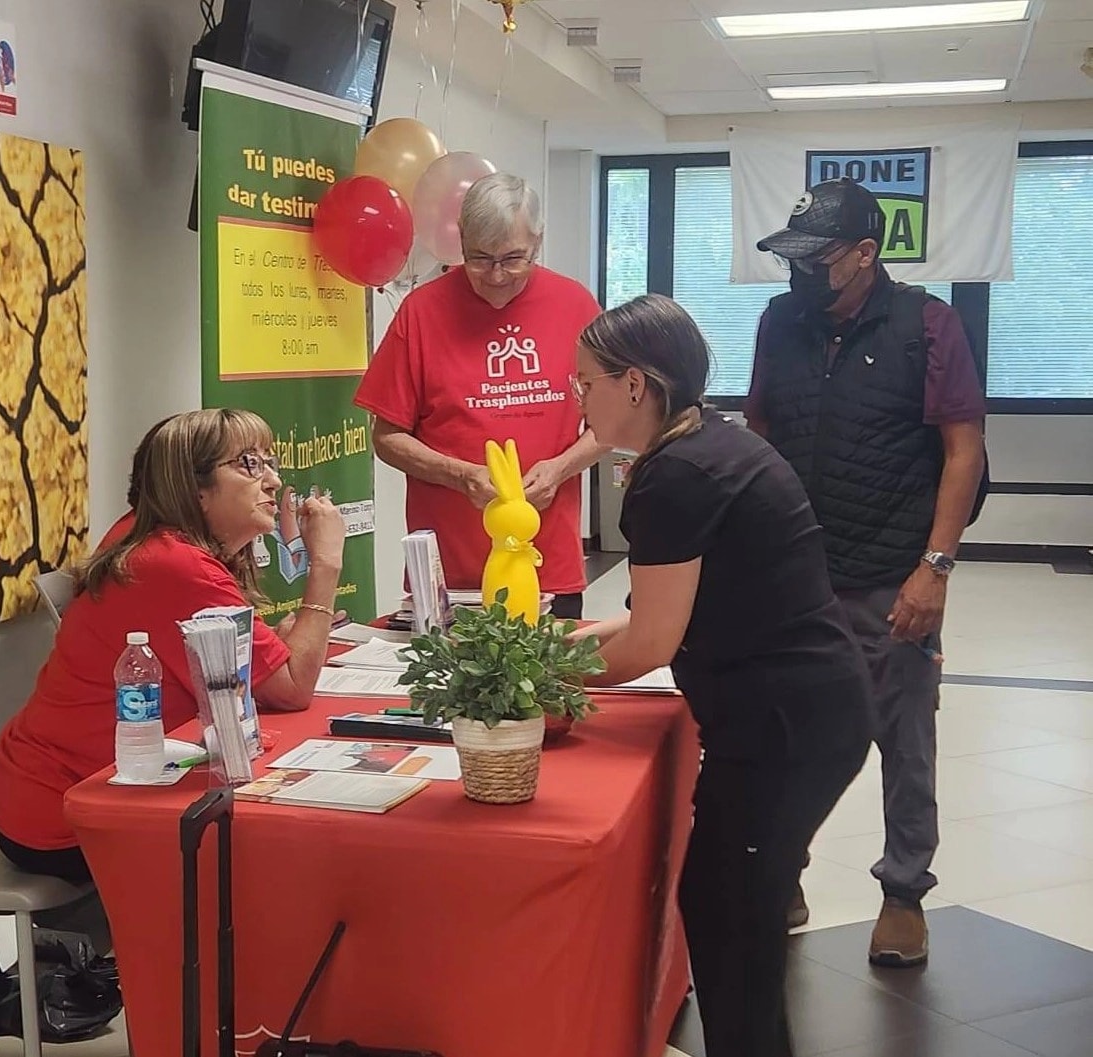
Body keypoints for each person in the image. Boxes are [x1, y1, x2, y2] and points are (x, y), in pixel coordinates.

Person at [576, 295, 876, 1057]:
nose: (575, 398)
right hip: (809, 708)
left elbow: (647, 642)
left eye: (585, 382)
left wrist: (539, 681)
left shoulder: (676, 476)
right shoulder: (708, 442)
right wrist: (556, 651)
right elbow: (659, 617)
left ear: (636, 385)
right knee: (729, 911)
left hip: (784, 726)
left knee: (730, 919)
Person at [748, 178, 987, 966]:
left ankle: (902, 893)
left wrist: (935, 568)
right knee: (785, 735)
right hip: (793, 576)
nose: (801, 273)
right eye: (792, 257)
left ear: (863, 254)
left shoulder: (928, 326)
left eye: (817, 258)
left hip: (893, 574)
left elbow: (962, 451)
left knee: (903, 739)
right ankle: (783, 869)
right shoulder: (780, 321)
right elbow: (758, 427)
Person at [0, 408, 346, 882]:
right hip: (63, 812)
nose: (274, 481)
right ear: (194, 487)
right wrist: (324, 564)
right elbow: (292, 686)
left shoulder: (148, 535)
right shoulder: (174, 564)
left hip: (67, 782)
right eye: (249, 464)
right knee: (288, 849)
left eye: (270, 461)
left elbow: (252, 677)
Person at [354, 172, 606, 620]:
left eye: (514, 259)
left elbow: (613, 423)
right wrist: (459, 475)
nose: (496, 276)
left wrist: (560, 468)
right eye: (479, 259)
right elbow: (387, 436)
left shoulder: (575, 305)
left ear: (538, 241)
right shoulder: (422, 311)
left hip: (547, 569)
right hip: (448, 578)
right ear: (461, 242)